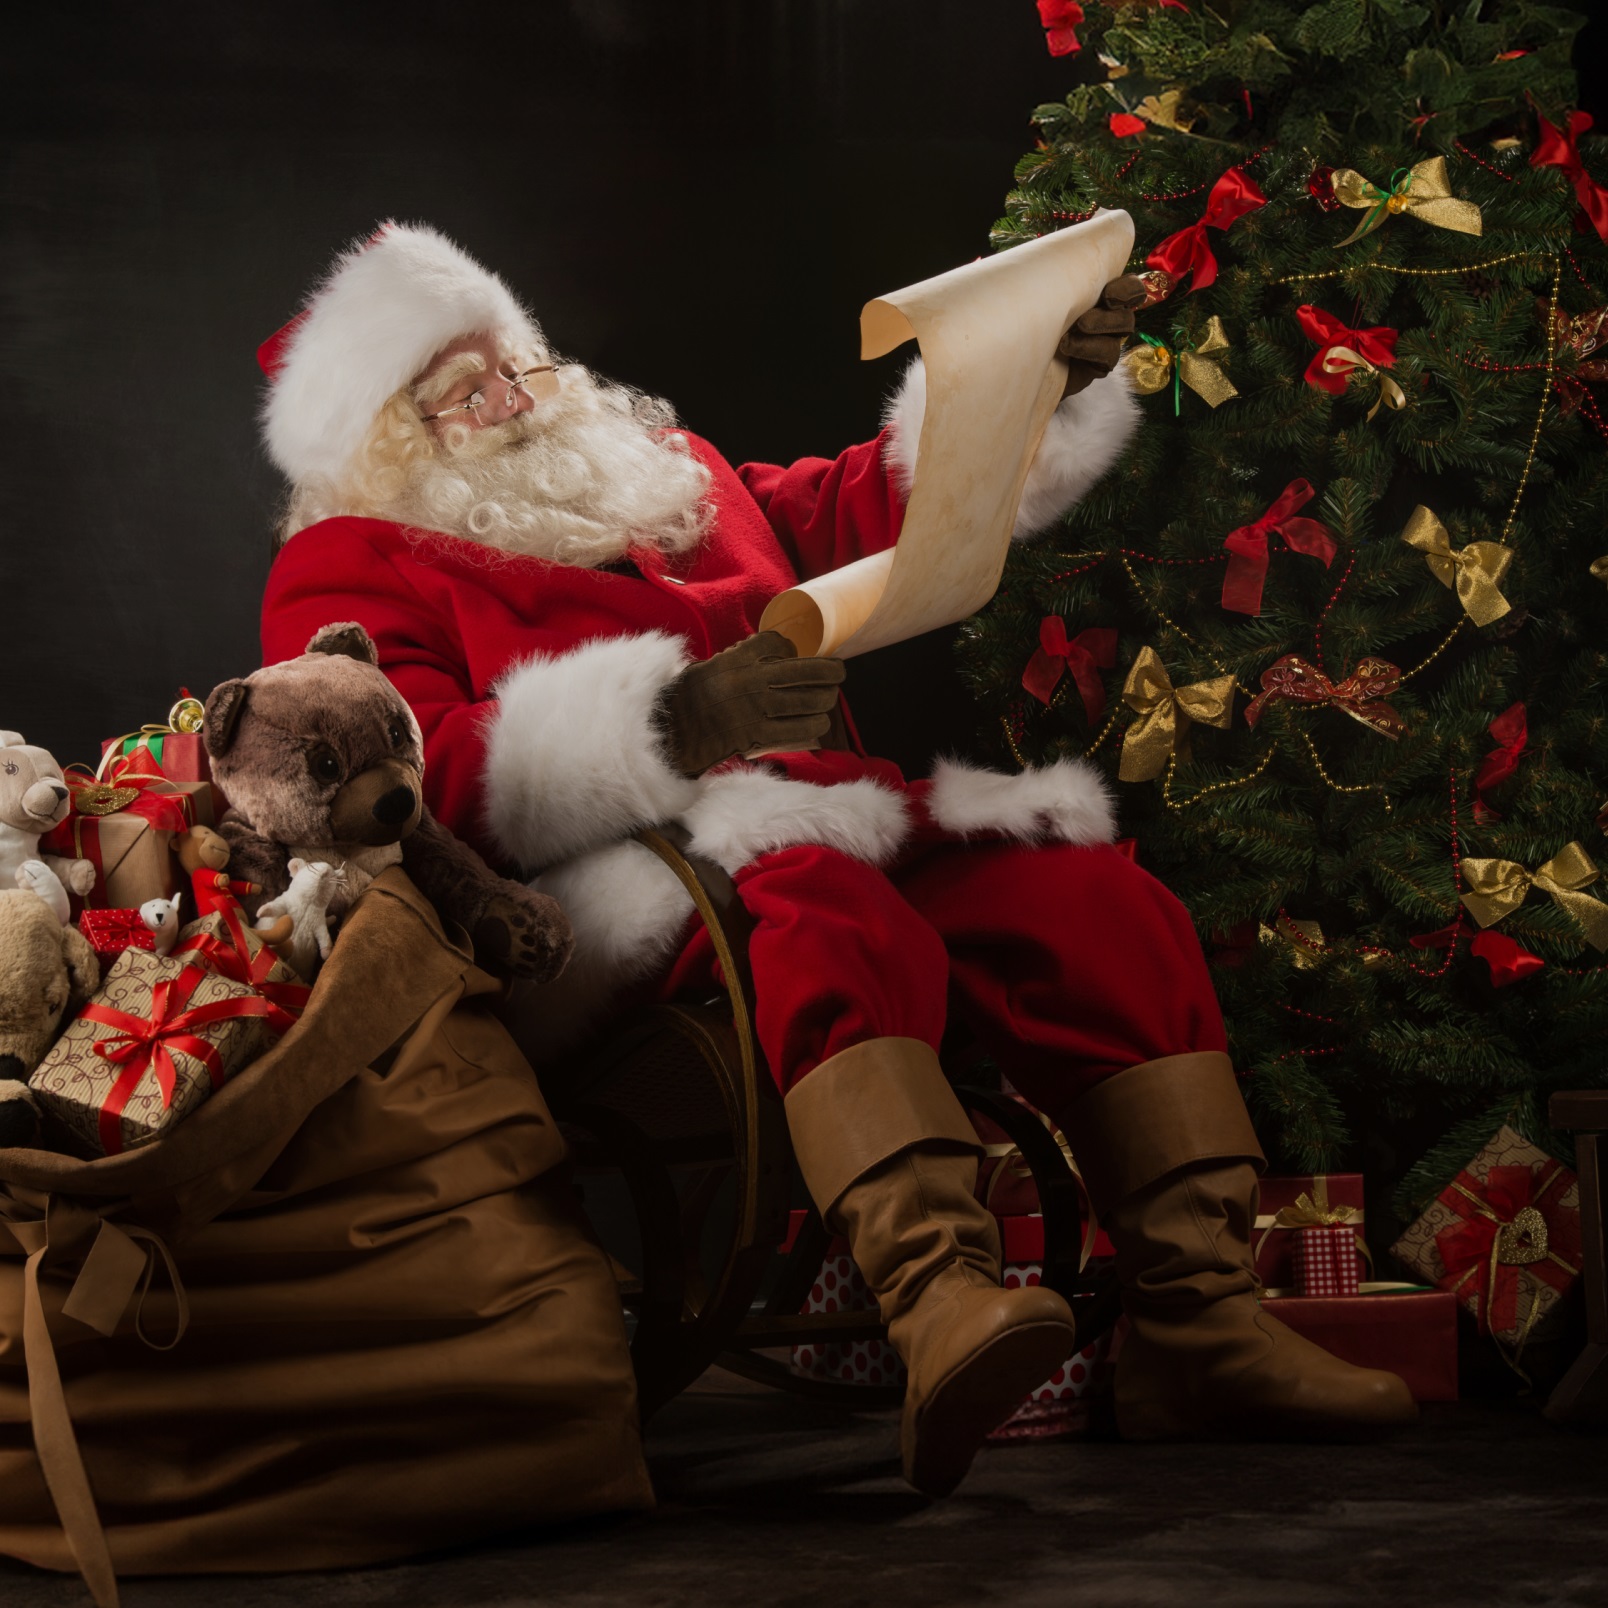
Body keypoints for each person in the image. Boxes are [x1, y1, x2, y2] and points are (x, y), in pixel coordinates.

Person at [255, 221, 1416, 1494]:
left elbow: (871, 501)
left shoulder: (668, 476)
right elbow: (400, 781)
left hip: (835, 818)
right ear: (382, 441)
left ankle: (1199, 1326)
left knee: (1086, 889)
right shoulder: (345, 565)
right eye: (457, 388)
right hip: (617, 886)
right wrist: (676, 723)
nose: (511, 399)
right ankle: (938, 1302)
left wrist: (1028, 389)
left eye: (517, 365)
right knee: (815, 891)